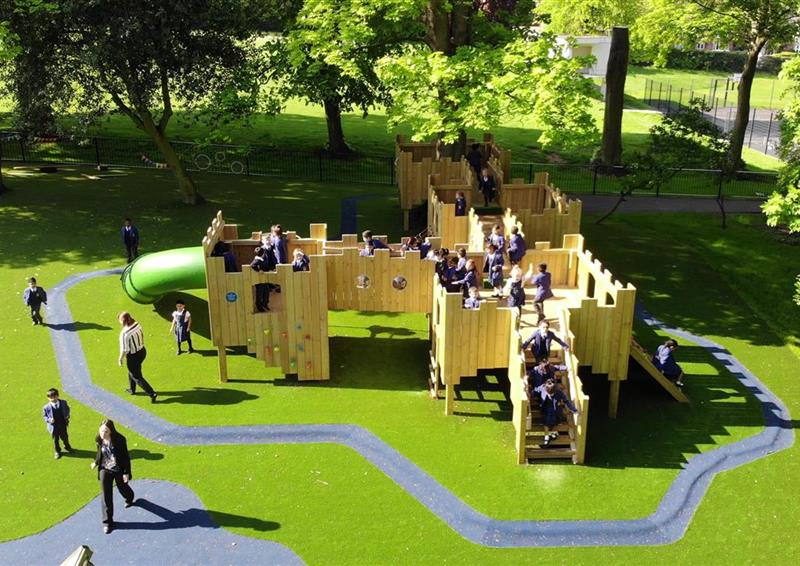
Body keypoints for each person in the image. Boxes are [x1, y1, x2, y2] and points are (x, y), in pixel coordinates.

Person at [91, 419, 134, 534]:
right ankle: (107, 522)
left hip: (118, 468)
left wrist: (126, 472)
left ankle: (129, 497)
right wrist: (96, 462)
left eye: (106, 431)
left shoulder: (120, 440)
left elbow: (125, 457)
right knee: (106, 494)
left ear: (111, 431)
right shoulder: (99, 439)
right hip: (105, 468)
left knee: (122, 487)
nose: (103, 434)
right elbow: (99, 452)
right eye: (101, 431)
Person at [118, 312, 158, 402]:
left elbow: (124, 349)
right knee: (132, 371)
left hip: (133, 356)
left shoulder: (124, 333)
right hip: (142, 351)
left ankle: (152, 393)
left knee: (137, 377)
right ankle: (132, 389)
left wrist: (120, 359)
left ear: (123, 321)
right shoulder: (137, 324)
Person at [534, 379, 578, 447]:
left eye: (551, 393)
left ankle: (553, 434)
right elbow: (535, 391)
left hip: (555, 409)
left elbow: (566, 401)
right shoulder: (542, 387)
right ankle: (547, 437)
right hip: (546, 407)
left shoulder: (559, 392)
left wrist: (574, 410)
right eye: (548, 393)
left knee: (554, 421)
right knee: (546, 421)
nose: (550, 394)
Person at [42, 388, 71, 459]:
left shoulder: (63, 402)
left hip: (63, 424)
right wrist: (49, 420)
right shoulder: (46, 407)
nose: (53, 399)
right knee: (56, 440)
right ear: (48, 398)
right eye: (50, 397)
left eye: (54, 397)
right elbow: (44, 417)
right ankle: (57, 451)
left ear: (57, 396)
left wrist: (67, 415)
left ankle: (67, 447)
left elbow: (67, 409)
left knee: (65, 437)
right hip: (54, 427)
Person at [249, 247, 272, 312]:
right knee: (260, 293)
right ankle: (259, 305)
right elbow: (252, 265)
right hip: (259, 280)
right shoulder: (257, 260)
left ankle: (265, 303)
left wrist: (269, 270)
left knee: (266, 292)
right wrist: (258, 270)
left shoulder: (262, 259)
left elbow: (265, 267)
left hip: (264, 279)